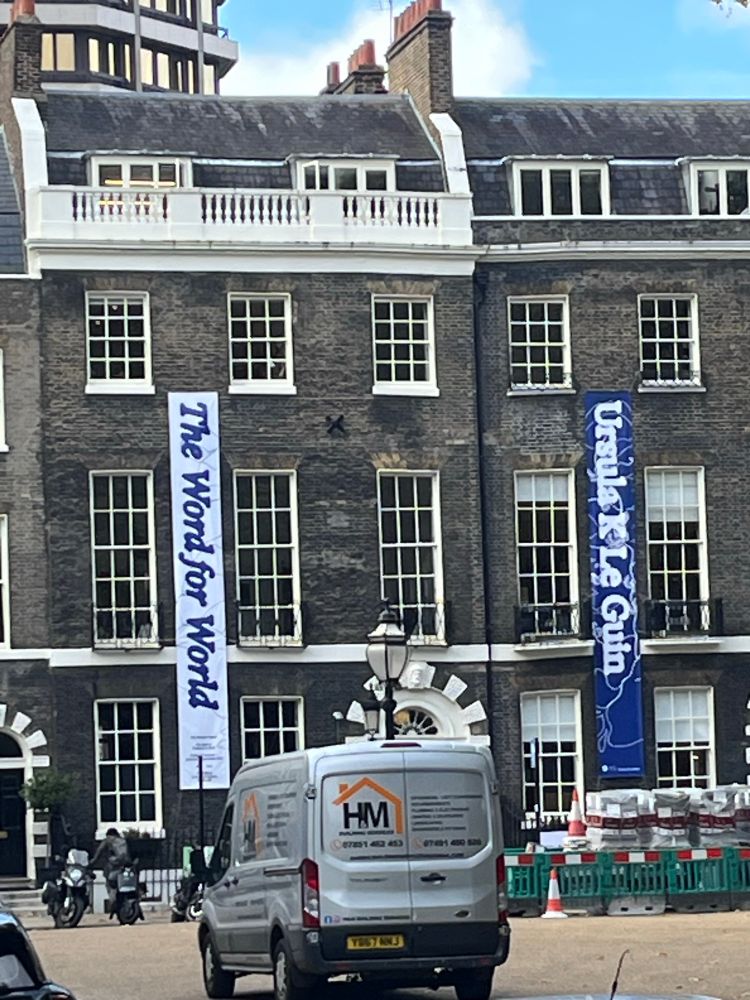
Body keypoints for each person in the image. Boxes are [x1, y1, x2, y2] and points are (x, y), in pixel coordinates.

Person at [90, 828, 130, 910]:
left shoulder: (108, 840)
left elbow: (99, 851)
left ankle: (113, 899)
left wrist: (93, 861)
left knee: (110, 883)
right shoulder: (123, 841)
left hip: (114, 866)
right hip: (125, 866)